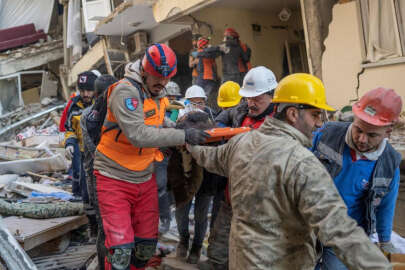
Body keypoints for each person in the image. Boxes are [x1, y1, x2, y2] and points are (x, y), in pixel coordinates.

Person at [187, 73, 391, 270]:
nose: (319, 123)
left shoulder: (242, 143)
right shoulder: (302, 164)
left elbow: (208, 157)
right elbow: (341, 231)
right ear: (293, 113)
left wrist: (189, 144)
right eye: (315, 114)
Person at [93, 43, 209, 270]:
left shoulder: (159, 91)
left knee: (145, 247)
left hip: (144, 175)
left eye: (167, 78)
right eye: (157, 77)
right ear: (144, 71)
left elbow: (160, 120)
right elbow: (137, 134)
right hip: (113, 176)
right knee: (120, 252)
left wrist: (184, 124)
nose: (163, 83)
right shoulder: (125, 91)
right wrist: (182, 135)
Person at [313, 87, 403, 270]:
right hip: (309, 223)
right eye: (358, 129)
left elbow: (386, 206)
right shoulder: (326, 134)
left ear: (388, 131)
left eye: (372, 135)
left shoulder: (389, 162)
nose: (362, 139)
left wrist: (385, 241)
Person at [198, 66, 278, 270]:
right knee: (217, 254)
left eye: (257, 98)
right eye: (248, 97)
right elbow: (218, 123)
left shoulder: (281, 121)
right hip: (231, 199)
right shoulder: (240, 112)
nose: (251, 103)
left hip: (261, 208)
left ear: (271, 95)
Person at [81, 74, 118, 270]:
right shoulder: (88, 117)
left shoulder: (117, 113)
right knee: (105, 226)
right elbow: (96, 152)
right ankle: (104, 265)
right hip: (97, 178)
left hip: (118, 177)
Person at [175, 88, 214, 264]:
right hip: (185, 176)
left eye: (201, 102)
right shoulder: (178, 121)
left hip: (205, 177)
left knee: (201, 214)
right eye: (193, 102)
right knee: (182, 211)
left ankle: (197, 247)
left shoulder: (211, 120)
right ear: (186, 103)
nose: (197, 106)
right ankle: (183, 241)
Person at [64, 70, 99, 199]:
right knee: (79, 179)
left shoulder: (101, 104)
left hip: (98, 153)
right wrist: (69, 144)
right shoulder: (74, 106)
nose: (85, 94)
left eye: (89, 90)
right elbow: (69, 129)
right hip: (80, 151)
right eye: (82, 90)